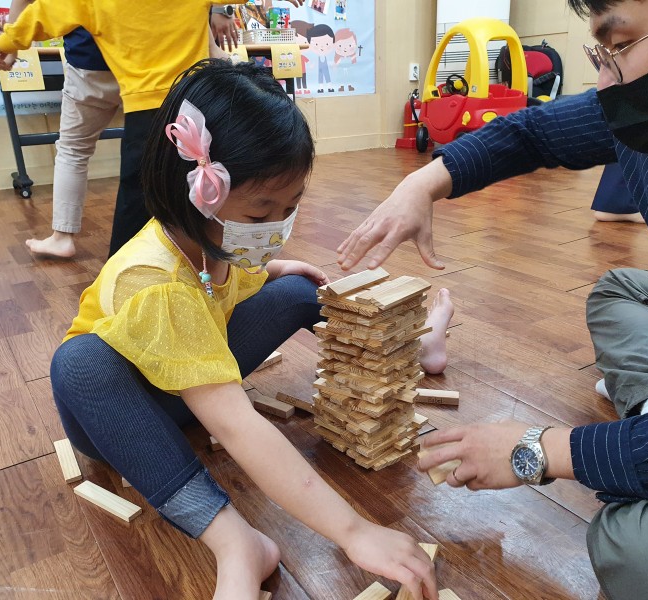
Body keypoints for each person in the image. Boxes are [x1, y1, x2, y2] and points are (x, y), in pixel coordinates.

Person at [337, 1, 648, 599]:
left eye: (620, 44)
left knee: (639, 551)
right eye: (602, 52)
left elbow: (540, 453)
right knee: (622, 292)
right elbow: (532, 131)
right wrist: (424, 182)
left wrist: (536, 450)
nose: (606, 80)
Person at [50, 60, 439, 600]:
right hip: (123, 415)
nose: (276, 227)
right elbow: (235, 425)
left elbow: (232, 285)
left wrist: (275, 267)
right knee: (79, 362)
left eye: (290, 209)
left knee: (299, 288)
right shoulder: (153, 279)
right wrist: (354, 531)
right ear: (199, 192)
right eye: (261, 216)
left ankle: (420, 344)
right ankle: (235, 541)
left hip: (189, 381)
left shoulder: (216, 240)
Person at [0, 0, 303, 258]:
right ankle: (202, 263)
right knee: (198, 189)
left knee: (137, 197)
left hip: (147, 108)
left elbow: (43, 14)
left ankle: (126, 273)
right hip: (193, 99)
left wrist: (4, 42)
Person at [0, 1, 121, 259]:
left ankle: (62, 237)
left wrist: (11, 45)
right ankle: (175, 234)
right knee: (159, 148)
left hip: (90, 57)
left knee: (73, 150)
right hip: (146, 55)